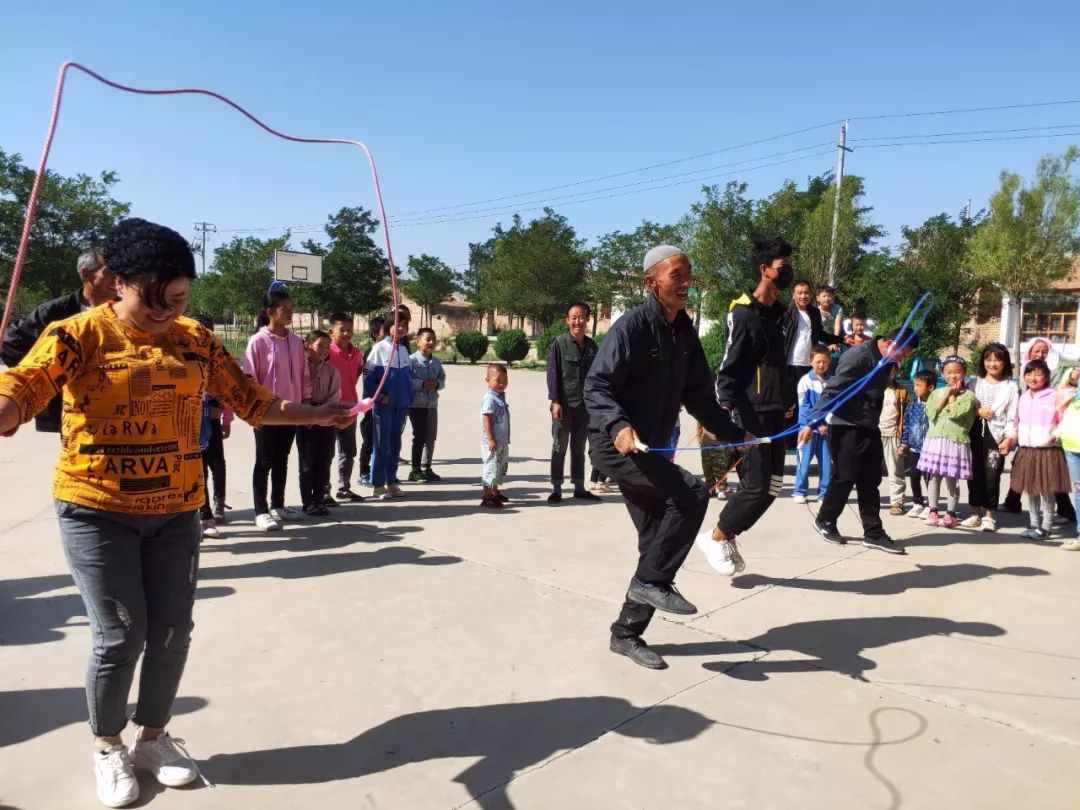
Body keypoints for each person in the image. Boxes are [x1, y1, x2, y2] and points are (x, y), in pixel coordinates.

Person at [0, 218, 353, 809]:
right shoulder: (76, 334)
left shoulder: (195, 338)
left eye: (180, 300)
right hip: (96, 509)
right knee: (120, 635)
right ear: (116, 282)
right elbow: (25, 387)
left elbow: (254, 402)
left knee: (171, 632)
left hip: (178, 509)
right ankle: (108, 745)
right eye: (153, 301)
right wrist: (6, 409)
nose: (167, 313)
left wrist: (319, 414)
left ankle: (154, 738)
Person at [585, 245, 748, 671]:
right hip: (617, 445)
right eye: (677, 274)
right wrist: (619, 426)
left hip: (653, 447)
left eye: (689, 274)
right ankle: (651, 582)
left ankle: (625, 634)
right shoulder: (632, 327)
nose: (686, 282)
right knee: (692, 494)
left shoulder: (684, 331)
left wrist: (735, 435)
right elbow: (597, 386)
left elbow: (698, 395)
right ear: (651, 282)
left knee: (656, 542)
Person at [711, 237, 794, 572]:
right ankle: (717, 536)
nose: (788, 271)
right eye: (782, 266)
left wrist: (788, 399)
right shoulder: (743, 315)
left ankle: (728, 534)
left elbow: (782, 364)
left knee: (772, 488)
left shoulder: (782, 316)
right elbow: (727, 369)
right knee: (756, 485)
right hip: (752, 414)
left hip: (777, 412)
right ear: (765, 270)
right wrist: (724, 417)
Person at [812, 326, 918, 554]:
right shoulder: (858, 356)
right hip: (844, 423)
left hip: (869, 425)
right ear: (890, 343)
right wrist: (812, 420)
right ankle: (825, 520)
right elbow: (834, 389)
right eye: (901, 354)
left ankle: (873, 533)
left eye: (906, 356)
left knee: (870, 479)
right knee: (845, 476)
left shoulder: (888, 359)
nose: (901, 359)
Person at [0, 249, 116, 432]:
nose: (117, 278)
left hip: (118, 408)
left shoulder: (126, 310)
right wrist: (50, 376)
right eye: (110, 272)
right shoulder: (54, 313)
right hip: (72, 411)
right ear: (86, 274)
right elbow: (10, 342)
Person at [243, 285, 311, 531]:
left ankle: (278, 505)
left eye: (292, 309)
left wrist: (304, 406)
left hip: (291, 411)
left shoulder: (295, 341)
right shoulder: (258, 341)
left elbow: (303, 375)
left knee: (282, 459)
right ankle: (260, 511)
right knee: (264, 460)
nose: (291, 313)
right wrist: (255, 410)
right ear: (270, 312)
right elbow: (249, 377)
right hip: (266, 412)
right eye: (285, 309)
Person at [547, 302, 601, 503]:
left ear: (587, 320)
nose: (578, 321)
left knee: (579, 447)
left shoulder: (593, 347)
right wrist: (555, 401)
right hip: (564, 404)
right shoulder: (559, 343)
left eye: (581, 317)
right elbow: (553, 375)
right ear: (567, 320)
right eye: (574, 318)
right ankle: (556, 488)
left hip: (585, 406)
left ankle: (579, 486)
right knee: (559, 445)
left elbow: (598, 376)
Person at [961, 343, 1018, 532]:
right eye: (988, 359)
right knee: (973, 474)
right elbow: (964, 408)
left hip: (997, 435)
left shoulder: (1011, 387)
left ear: (1004, 363)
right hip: (974, 433)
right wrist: (978, 411)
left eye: (997, 359)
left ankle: (989, 516)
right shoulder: (973, 383)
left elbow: (1012, 415)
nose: (992, 363)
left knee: (992, 475)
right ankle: (975, 513)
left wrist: (1009, 438)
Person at [1011, 358, 1070, 541]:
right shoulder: (1023, 397)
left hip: (1047, 450)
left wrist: (1054, 434)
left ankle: (1046, 527)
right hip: (1027, 450)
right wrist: (1011, 440)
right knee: (1031, 490)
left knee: (1047, 491)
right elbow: (1016, 423)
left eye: (1038, 373)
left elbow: (1064, 420)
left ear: (1046, 376)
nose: (1033, 377)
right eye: (1029, 373)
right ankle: (1034, 524)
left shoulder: (1054, 395)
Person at [918, 356, 978, 529]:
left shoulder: (969, 396)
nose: (953, 376)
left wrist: (952, 398)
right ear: (942, 374)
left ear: (964, 373)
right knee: (934, 477)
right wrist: (945, 396)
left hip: (955, 442)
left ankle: (951, 513)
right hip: (935, 440)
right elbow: (931, 414)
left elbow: (955, 414)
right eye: (949, 372)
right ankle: (933, 510)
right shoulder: (936, 393)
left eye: (957, 372)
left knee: (952, 479)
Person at [782, 280, 840, 446]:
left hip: (809, 366)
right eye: (799, 293)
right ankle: (789, 443)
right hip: (790, 365)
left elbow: (821, 334)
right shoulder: (787, 312)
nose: (803, 296)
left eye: (806, 293)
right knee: (789, 405)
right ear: (793, 295)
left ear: (810, 295)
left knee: (808, 402)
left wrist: (839, 339)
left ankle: (807, 437)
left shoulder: (814, 313)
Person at [363, 309, 412, 499]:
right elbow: (368, 376)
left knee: (395, 445)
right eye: (397, 324)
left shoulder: (403, 349)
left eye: (404, 325)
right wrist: (379, 395)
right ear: (387, 327)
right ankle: (377, 484)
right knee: (381, 445)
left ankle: (391, 482)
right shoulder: (379, 348)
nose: (400, 328)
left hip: (401, 405)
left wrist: (408, 396)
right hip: (383, 406)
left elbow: (407, 377)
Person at [192, 313, 232, 539]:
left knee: (217, 463)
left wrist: (226, 419)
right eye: (199, 330)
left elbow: (226, 393)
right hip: (190, 425)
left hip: (212, 422)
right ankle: (203, 513)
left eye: (208, 331)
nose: (204, 336)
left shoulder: (217, 360)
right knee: (197, 470)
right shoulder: (180, 357)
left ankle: (218, 502)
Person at [296, 330, 340, 517]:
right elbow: (296, 392)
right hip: (305, 419)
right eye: (319, 345)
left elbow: (335, 396)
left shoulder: (331, 371)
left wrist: (324, 414)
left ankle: (319, 499)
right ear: (307, 345)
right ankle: (308, 502)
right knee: (307, 463)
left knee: (324, 461)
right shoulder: (299, 368)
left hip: (327, 421)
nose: (323, 350)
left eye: (326, 347)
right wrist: (308, 415)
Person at [326, 312, 365, 503]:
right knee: (327, 452)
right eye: (342, 330)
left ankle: (344, 487)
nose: (347, 333)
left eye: (350, 329)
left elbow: (356, 374)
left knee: (348, 451)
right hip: (330, 408)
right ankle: (324, 491)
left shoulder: (357, 353)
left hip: (351, 407)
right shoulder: (327, 352)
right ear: (331, 331)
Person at [792, 346, 832, 504]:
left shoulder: (832, 381)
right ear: (810, 362)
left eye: (825, 362)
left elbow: (833, 405)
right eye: (818, 361)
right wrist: (816, 425)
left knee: (826, 465)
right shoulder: (805, 381)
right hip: (807, 431)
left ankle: (824, 494)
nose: (821, 365)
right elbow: (805, 407)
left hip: (826, 431)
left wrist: (827, 424)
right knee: (803, 463)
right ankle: (800, 491)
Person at [407, 327, 446, 482]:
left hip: (431, 405)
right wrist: (421, 384)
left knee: (430, 438)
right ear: (418, 342)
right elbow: (407, 381)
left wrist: (437, 384)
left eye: (433, 340)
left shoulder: (436, 362)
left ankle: (426, 467)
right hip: (416, 405)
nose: (431, 342)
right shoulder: (411, 360)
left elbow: (442, 379)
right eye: (427, 339)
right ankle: (415, 470)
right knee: (419, 436)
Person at [899, 370, 934, 518]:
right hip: (914, 448)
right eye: (914, 385)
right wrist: (904, 443)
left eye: (919, 385)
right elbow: (906, 425)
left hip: (931, 449)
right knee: (914, 475)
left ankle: (931, 505)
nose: (915, 388)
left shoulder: (935, 405)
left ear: (930, 387)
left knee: (929, 478)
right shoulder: (912, 404)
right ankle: (917, 503)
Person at [1053, 366, 1080, 551]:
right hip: (1073, 443)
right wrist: (1072, 378)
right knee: (1079, 491)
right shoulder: (1071, 382)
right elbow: (1060, 400)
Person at [358, 316, 385, 487]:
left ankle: (380, 471)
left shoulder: (392, 350)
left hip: (387, 405)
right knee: (369, 439)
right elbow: (369, 382)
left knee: (383, 441)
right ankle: (364, 472)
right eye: (385, 330)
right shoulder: (372, 352)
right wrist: (377, 397)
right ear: (375, 334)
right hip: (372, 404)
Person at [480, 363, 511, 509]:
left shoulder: (500, 397)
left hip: (502, 441)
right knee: (491, 468)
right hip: (492, 442)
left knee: (500, 468)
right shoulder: (489, 398)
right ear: (487, 380)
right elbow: (486, 418)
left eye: (504, 380)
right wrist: (491, 439)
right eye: (498, 380)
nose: (502, 383)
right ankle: (487, 497)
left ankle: (495, 492)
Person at [880, 363, 909, 516]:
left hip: (892, 434)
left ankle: (897, 501)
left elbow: (905, 417)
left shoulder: (901, 391)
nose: (887, 372)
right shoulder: (873, 388)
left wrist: (903, 439)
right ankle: (869, 499)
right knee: (868, 470)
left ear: (896, 371)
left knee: (895, 470)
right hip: (873, 432)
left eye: (890, 369)